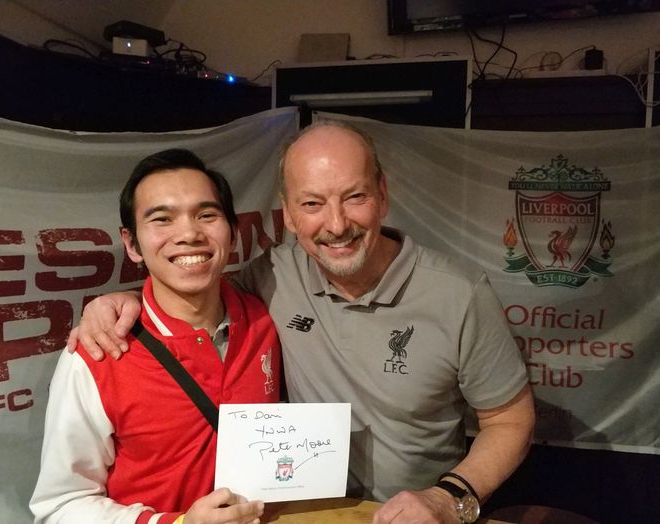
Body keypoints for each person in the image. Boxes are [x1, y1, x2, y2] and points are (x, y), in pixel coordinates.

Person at [71, 122, 535, 524]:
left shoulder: (458, 293)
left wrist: (448, 498)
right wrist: (123, 300)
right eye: (312, 204)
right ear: (289, 214)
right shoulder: (271, 276)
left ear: (383, 195)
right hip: (297, 514)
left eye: (354, 197)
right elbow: (191, 283)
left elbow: (510, 419)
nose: (336, 224)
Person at [31, 149, 281, 524]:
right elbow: (60, 506)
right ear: (131, 244)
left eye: (206, 215)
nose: (189, 234)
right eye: (162, 219)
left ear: (232, 233)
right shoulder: (98, 351)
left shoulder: (265, 317)